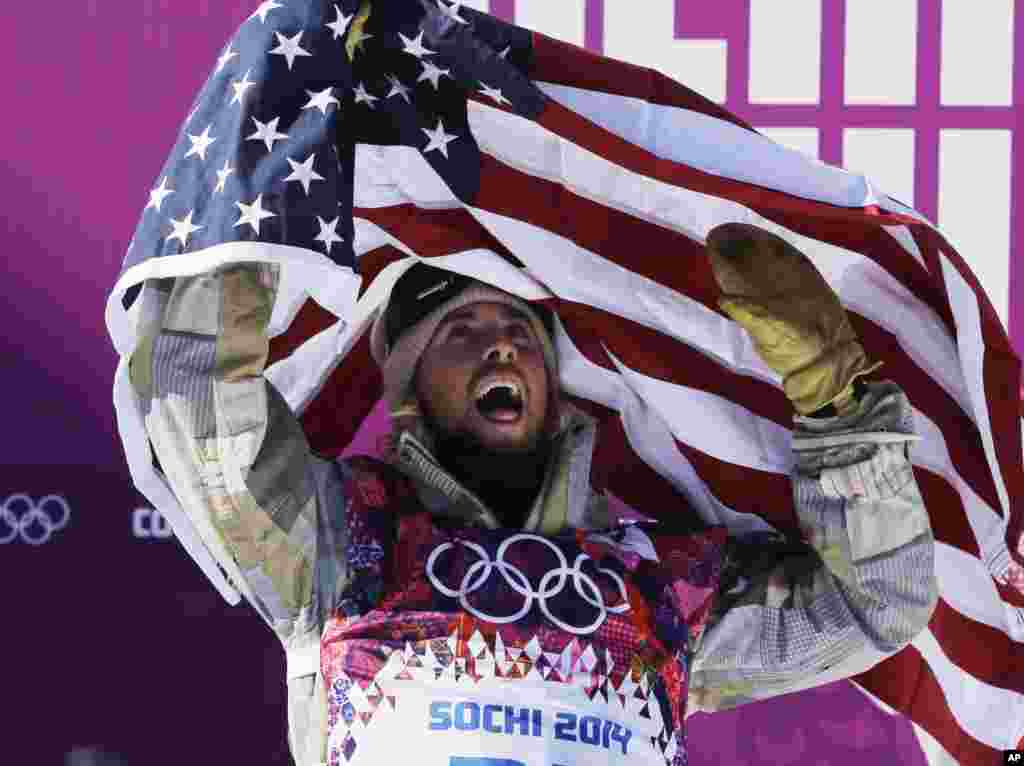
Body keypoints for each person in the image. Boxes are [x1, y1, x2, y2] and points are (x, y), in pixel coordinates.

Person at [129, 224, 938, 766]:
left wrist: (840, 407)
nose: (501, 350)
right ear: (407, 391)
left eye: (521, 335)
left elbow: (873, 604)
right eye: (462, 334)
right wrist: (252, 221)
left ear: (555, 389)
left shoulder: (660, 586)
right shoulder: (338, 543)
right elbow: (198, 396)